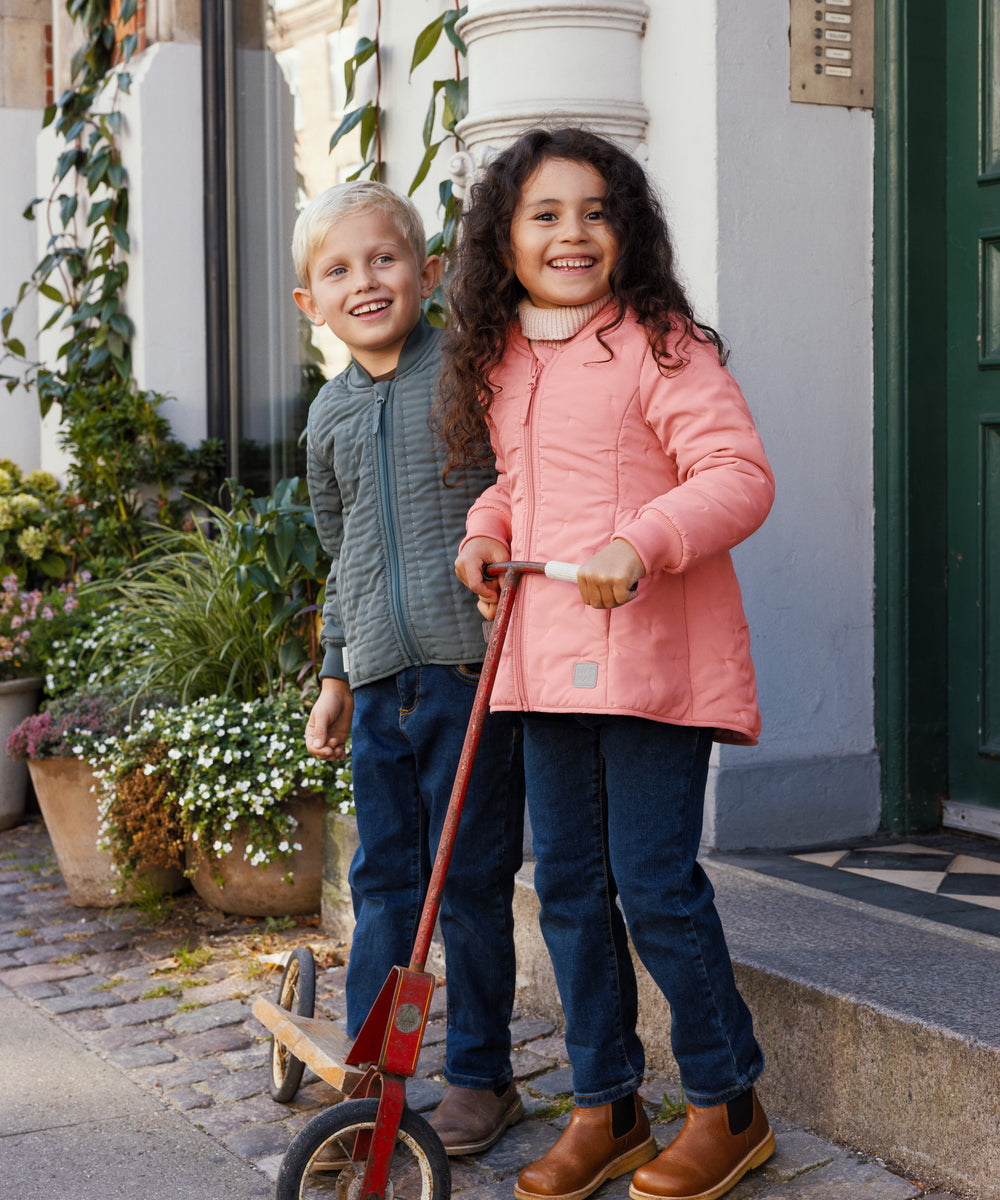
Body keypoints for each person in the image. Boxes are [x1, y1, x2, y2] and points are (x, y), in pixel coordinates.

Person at [437, 128, 776, 1200]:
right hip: (542, 661)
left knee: (655, 886)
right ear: (505, 237)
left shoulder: (661, 344)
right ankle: (608, 1104)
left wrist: (644, 541)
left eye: (594, 210)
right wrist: (483, 535)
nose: (572, 233)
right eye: (545, 214)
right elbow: (519, 485)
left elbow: (736, 474)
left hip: (648, 665)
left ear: (625, 229)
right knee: (571, 888)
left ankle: (728, 1104)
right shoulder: (504, 359)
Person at [294, 180, 525, 1156]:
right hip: (382, 686)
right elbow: (341, 556)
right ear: (311, 303)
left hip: (471, 678)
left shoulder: (469, 377)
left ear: (428, 272)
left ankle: (480, 1073)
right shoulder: (327, 419)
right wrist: (338, 673)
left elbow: (519, 491)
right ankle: (370, 1072)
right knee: (384, 878)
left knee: (469, 881)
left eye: (383, 259)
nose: (365, 281)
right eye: (338, 270)